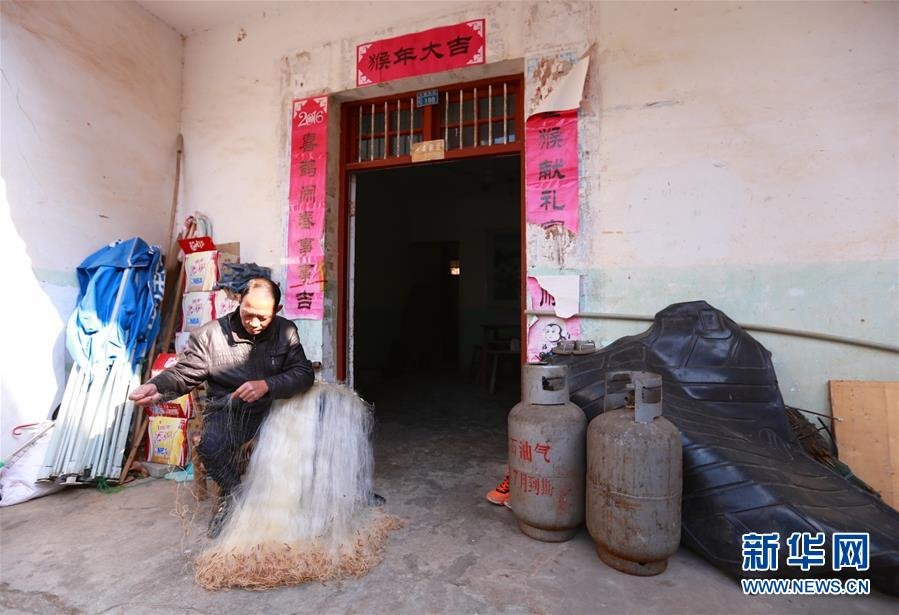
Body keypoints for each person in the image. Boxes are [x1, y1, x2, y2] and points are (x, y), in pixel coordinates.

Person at [128, 277, 315, 537]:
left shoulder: (286, 331)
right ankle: (235, 500)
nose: (254, 324)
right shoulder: (210, 335)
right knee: (210, 446)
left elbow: (304, 373)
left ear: (278, 310)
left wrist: (267, 385)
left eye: (263, 317)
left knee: (313, 433)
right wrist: (157, 386)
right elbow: (184, 373)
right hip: (227, 410)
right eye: (248, 314)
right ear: (239, 301)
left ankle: (308, 498)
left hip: (272, 410)